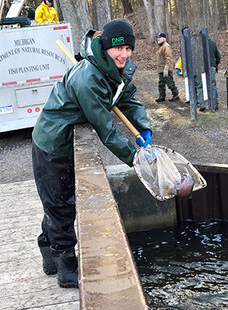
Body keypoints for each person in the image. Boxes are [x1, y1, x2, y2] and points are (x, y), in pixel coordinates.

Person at [32, 18, 152, 289]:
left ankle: (49, 256)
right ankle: (65, 269)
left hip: (62, 142)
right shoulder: (88, 78)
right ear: (106, 47)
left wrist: (143, 128)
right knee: (60, 206)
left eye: (129, 49)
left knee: (57, 203)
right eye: (119, 49)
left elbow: (128, 98)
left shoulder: (114, 69)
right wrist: (136, 159)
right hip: (52, 144)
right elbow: (106, 130)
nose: (125, 54)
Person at [155, 32, 179, 103]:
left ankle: (175, 95)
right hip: (161, 68)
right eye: (158, 37)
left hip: (166, 68)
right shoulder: (160, 46)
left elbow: (168, 58)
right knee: (161, 83)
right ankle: (162, 96)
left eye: (159, 37)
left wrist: (166, 67)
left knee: (169, 82)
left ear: (164, 39)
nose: (158, 39)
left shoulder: (166, 46)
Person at [208, 35, 221, 110]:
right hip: (212, 66)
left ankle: (202, 104)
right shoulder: (213, 43)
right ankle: (215, 104)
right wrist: (216, 64)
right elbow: (218, 56)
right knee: (213, 85)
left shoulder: (199, 44)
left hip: (202, 68)